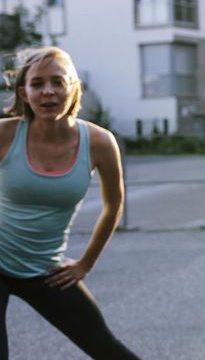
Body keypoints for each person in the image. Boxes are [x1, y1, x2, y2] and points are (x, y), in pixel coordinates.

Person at [0, 47, 139, 359]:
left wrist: (85, 263)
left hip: (45, 268)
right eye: (38, 84)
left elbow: (114, 204)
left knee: (106, 348)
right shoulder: (5, 134)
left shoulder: (100, 142)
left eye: (58, 82)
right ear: (24, 92)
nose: (48, 91)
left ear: (74, 87)